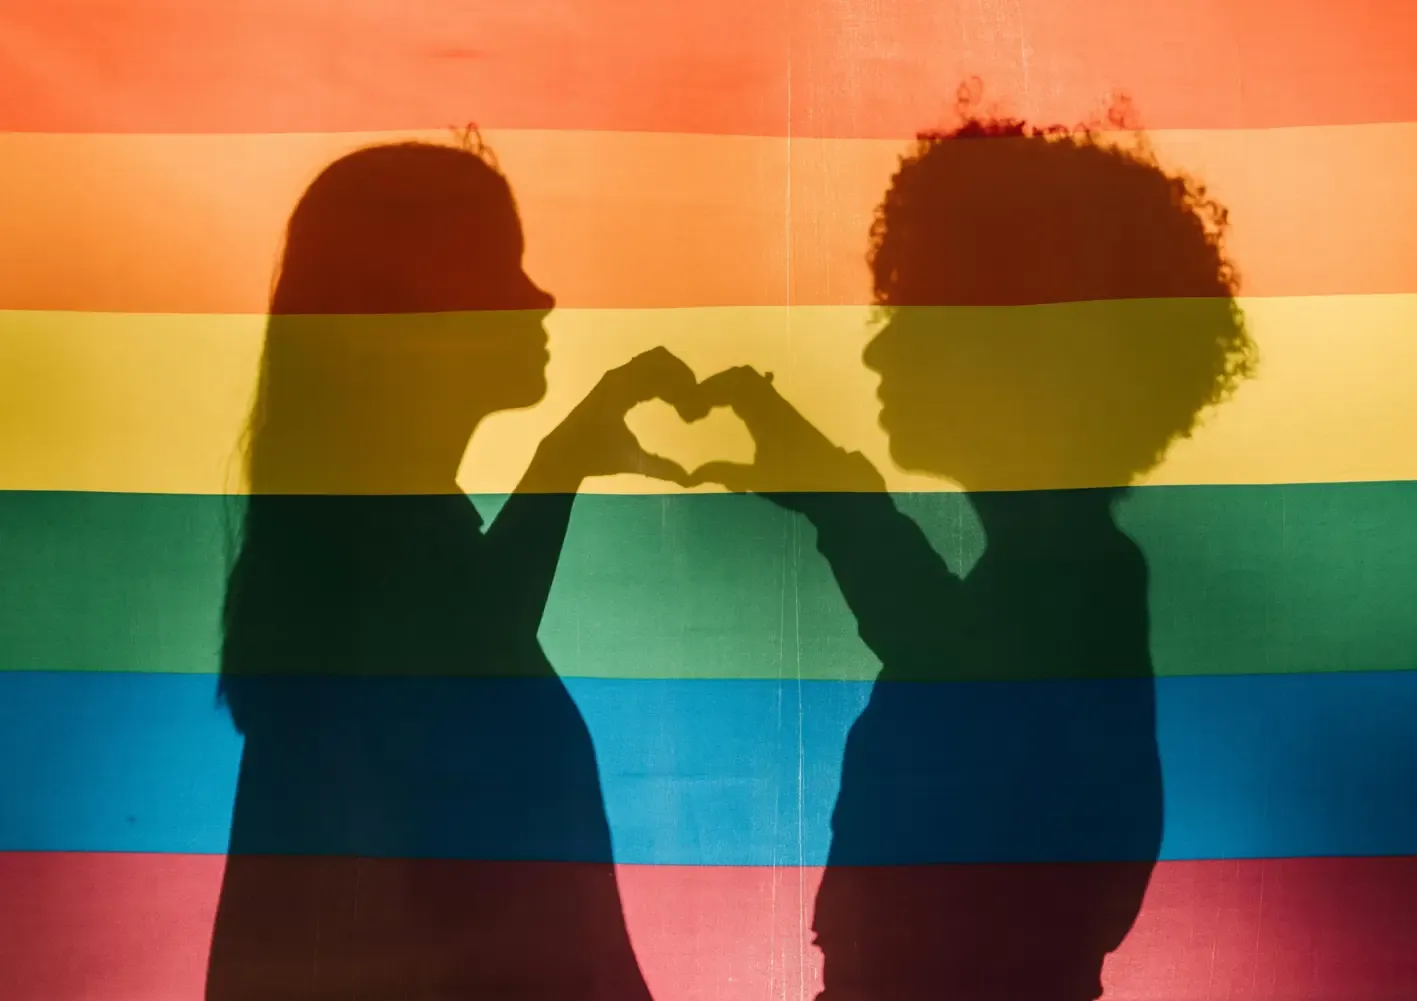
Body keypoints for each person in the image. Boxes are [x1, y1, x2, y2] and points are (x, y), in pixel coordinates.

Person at [691, 113, 1255, 999]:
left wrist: (838, 495)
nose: (878, 347)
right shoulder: (1068, 576)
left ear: (1012, 348)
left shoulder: (1079, 579)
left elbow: (955, 659)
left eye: (916, 313)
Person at [207, 135, 695, 999]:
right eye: (500, 266)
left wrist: (564, 458)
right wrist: (563, 459)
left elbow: (469, 632)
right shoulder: (393, 599)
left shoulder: (363, 582)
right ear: (413, 308)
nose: (538, 297)